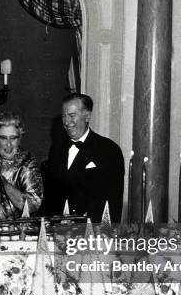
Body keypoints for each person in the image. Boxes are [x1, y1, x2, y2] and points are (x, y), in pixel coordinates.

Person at [43, 93, 124, 222]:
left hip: (90, 232)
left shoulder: (108, 150)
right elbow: (50, 196)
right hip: (58, 230)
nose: (66, 122)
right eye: (63, 116)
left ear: (87, 116)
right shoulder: (57, 148)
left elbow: (113, 201)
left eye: (72, 116)